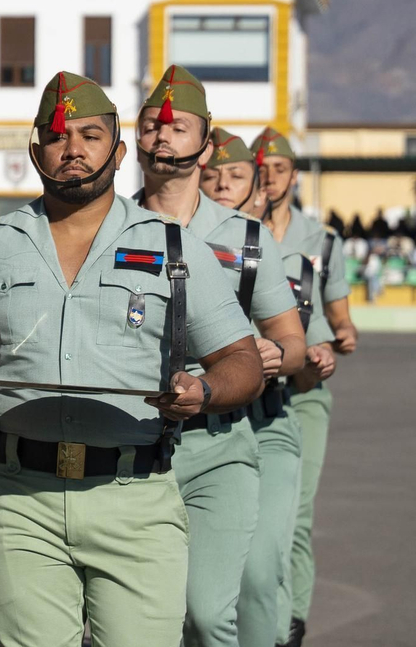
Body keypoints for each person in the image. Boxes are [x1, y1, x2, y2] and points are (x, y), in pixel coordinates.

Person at [0, 70, 262, 647]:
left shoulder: (175, 248)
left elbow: (240, 358)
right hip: (18, 498)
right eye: (57, 135)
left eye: (90, 135)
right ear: (34, 150)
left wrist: (206, 392)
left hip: (136, 501)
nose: (72, 149)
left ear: (119, 152)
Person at [131, 69, 306, 647]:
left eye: (178, 128)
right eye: (152, 125)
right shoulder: (106, 229)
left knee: (209, 616)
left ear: (204, 148)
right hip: (129, 442)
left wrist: (275, 354)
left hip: (220, 440)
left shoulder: (248, 239)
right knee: (141, 620)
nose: (162, 136)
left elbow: (292, 338)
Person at [202, 127, 334, 647]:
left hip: (267, 417)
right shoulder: (171, 247)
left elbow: (309, 348)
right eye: (212, 176)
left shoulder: (292, 264)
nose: (221, 186)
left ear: (259, 188)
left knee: (262, 566)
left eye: (235, 177)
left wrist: (298, 355)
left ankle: (283, 631)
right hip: (196, 426)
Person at [252, 127, 350, 647]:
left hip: (304, 391)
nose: (269, 178)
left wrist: (339, 339)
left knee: (294, 516)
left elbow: (339, 318)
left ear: (293, 175)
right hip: (247, 391)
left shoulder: (320, 240)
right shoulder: (235, 230)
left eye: (279, 169)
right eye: (262, 169)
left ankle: (290, 622)